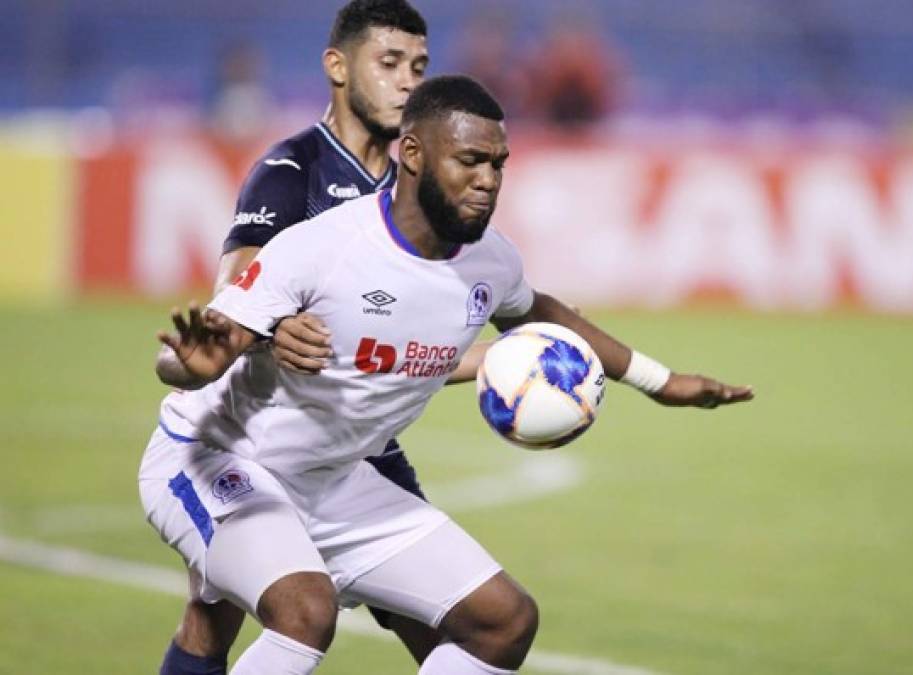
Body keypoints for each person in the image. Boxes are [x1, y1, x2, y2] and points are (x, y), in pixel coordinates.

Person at [144, 74, 753, 675]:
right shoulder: (321, 249)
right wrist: (190, 367)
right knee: (304, 612)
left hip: (329, 479)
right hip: (214, 459)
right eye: (470, 161)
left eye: (498, 165)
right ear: (411, 153)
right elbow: (194, 355)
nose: (487, 183)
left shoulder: (491, 260)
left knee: (503, 621)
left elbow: (539, 312)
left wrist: (659, 380)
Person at [158, 2, 472, 672]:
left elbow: (407, 344)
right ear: (338, 66)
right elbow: (235, 294)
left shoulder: (412, 192)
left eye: (419, 66)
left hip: (364, 448)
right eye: (388, 63)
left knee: (452, 632)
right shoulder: (292, 171)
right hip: (261, 439)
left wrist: (503, 362)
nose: (408, 81)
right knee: (215, 622)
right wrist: (272, 328)